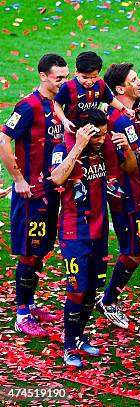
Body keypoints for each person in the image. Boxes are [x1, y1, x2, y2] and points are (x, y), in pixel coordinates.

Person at [49, 109, 128, 367]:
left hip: (99, 232)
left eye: (105, 134)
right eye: (97, 135)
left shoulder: (103, 152)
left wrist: (125, 147)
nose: (103, 139)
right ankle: (69, 346)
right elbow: (58, 178)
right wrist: (79, 145)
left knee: (92, 288)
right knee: (77, 290)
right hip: (75, 234)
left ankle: (80, 337)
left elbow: (127, 170)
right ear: (84, 132)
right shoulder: (64, 149)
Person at [0, 53, 69, 336]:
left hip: (49, 191)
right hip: (31, 195)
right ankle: (21, 314)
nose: (63, 82)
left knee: (40, 249)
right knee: (29, 254)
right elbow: (3, 139)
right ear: (43, 76)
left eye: (65, 77)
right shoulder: (27, 107)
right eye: (58, 77)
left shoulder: (55, 103)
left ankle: (29, 302)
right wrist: (18, 179)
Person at [96, 63, 140, 329]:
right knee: (135, 251)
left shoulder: (123, 115)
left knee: (138, 248)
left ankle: (109, 299)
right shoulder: (120, 121)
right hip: (128, 194)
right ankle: (109, 300)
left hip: (134, 191)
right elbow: (133, 161)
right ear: (120, 88)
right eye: (134, 80)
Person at [54, 51, 128, 198]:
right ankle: (77, 183)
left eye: (94, 77)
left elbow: (109, 99)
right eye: (85, 77)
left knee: (110, 147)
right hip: (74, 130)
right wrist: (64, 121)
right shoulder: (68, 87)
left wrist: (124, 109)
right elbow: (56, 104)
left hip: (94, 128)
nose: (89, 81)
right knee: (73, 153)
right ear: (76, 72)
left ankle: (111, 181)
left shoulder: (100, 85)